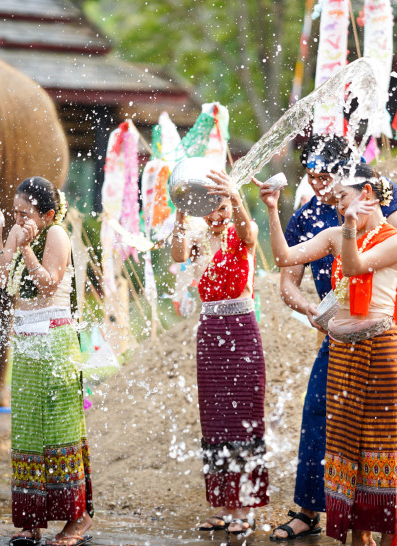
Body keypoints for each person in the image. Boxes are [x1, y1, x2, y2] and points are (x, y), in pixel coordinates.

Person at [270, 136, 397, 542]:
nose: (323, 190)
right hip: (337, 335)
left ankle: (389, 522)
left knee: (387, 435)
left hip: (388, 331)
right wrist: (316, 313)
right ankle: (321, 513)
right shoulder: (316, 219)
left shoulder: (380, 206)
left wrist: (357, 224)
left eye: (330, 181)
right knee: (329, 424)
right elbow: (285, 263)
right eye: (313, 178)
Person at [0, 177, 93, 546]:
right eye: (14, 213)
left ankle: (78, 520)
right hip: (27, 344)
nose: (18, 219)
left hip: (57, 343)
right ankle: (31, 523)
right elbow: (0, 281)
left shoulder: (56, 234)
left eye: (24, 214)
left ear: (46, 214)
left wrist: (26, 248)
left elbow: (47, 284)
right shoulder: (16, 231)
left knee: (61, 430)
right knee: (28, 431)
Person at [171, 168, 268, 535]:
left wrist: (237, 197)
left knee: (244, 416)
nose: (216, 214)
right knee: (215, 419)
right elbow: (178, 254)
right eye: (209, 207)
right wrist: (181, 211)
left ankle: (245, 507)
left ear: (230, 204)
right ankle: (222, 504)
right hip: (210, 332)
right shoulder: (196, 237)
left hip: (242, 330)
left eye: (222, 205)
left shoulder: (242, 234)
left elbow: (248, 231)